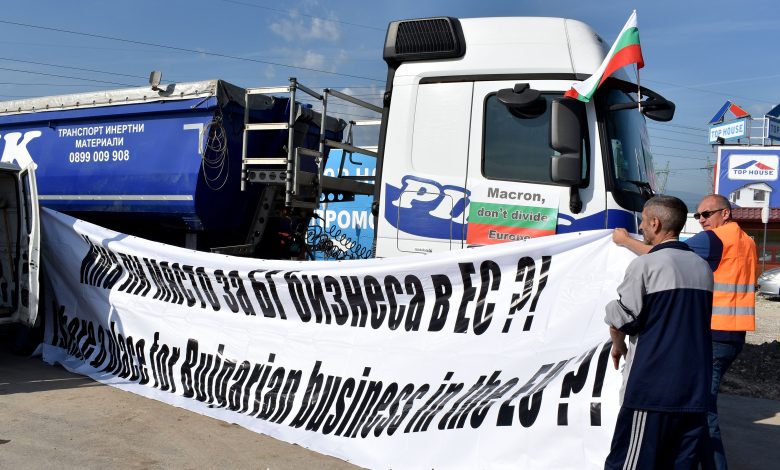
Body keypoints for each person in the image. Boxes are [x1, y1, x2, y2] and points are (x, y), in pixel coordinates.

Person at [613, 194, 757, 470]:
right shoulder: (747, 241)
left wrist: (624, 241)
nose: (701, 220)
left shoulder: (713, 239)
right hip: (735, 333)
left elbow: (665, 254)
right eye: (697, 215)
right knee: (697, 408)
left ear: (725, 214)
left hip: (712, 333)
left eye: (706, 214)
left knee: (702, 412)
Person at [605, 195, 714, 469]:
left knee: (630, 463)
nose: (641, 227)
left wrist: (617, 342)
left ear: (655, 223)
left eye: (643, 221)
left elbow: (623, 319)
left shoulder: (645, 265)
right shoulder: (702, 268)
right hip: (694, 388)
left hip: (652, 389)